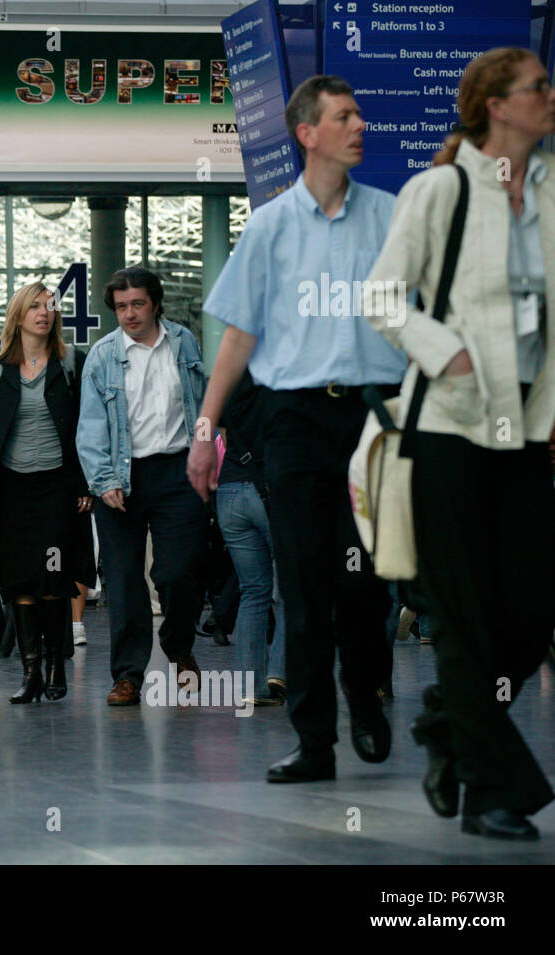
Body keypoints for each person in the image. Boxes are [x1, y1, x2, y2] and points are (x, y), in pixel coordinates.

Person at [361, 47, 555, 839]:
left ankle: (447, 719)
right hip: (446, 430)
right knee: (466, 618)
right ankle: (495, 790)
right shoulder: (439, 190)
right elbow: (380, 294)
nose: (550, 96)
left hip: (526, 437)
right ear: (495, 106)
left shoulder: (547, 194)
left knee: (529, 617)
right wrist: (448, 350)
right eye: (537, 87)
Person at [189, 76, 404, 783]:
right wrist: (205, 426)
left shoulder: (391, 217)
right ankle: (314, 739)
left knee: (368, 579)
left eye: (359, 113)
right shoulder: (270, 226)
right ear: (308, 133)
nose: (360, 124)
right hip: (296, 423)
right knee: (305, 583)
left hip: (373, 416)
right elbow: (239, 337)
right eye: (345, 115)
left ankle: (368, 694)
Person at [77, 267, 208, 707]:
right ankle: (128, 675)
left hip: (179, 470)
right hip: (121, 476)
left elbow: (202, 399)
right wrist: (103, 480)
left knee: (180, 571)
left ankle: (179, 646)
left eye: (136, 304)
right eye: (120, 307)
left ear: (155, 303)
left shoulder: (184, 342)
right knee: (124, 577)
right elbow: (91, 425)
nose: (129, 314)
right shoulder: (102, 355)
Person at [0, 281, 91, 704]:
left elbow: (87, 426)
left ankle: (57, 668)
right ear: (18, 315)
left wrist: (85, 483)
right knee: (19, 582)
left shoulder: (71, 362)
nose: (44, 312)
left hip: (57, 488)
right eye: (35, 306)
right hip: (11, 492)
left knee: (54, 579)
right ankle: (31, 670)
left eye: (50, 306)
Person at [215, 375, 285, 705]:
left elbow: (218, 436)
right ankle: (279, 674)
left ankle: (248, 687)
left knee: (252, 592)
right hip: (272, 492)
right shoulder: (282, 383)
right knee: (288, 589)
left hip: (230, 492)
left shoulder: (230, 384)